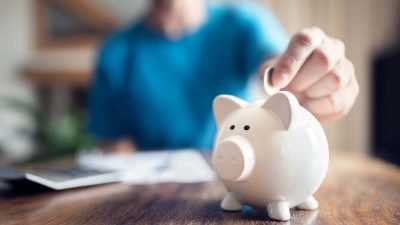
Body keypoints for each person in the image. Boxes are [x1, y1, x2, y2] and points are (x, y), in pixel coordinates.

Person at [88, 0, 359, 152]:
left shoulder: (244, 21)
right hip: (153, 198)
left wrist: (296, 74)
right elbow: (116, 147)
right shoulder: (115, 51)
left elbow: (273, 61)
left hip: (238, 175)